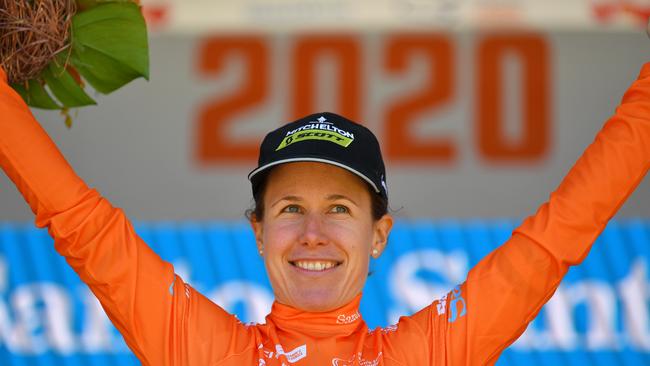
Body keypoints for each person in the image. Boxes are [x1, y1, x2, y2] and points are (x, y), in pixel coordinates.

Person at [1, 53, 649, 365]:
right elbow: (83, 226)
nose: (312, 233)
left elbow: (567, 225)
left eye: (339, 207)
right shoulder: (206, 354)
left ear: (379, 235)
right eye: (289, 207)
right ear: (257, 232)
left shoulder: (423, 356)